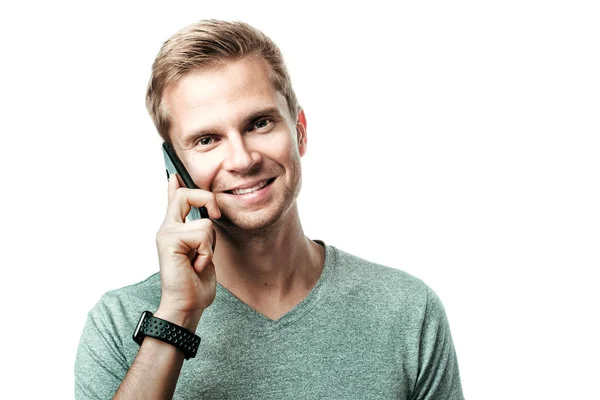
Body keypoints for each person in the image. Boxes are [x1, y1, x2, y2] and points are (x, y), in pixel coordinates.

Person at [75, 19, 464, 399]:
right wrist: (177, 314)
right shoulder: (119, 322)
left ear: (300, 131)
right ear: (175, 167)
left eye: (259, 123)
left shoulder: (406, 311)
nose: (242, 160)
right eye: (207, 140)